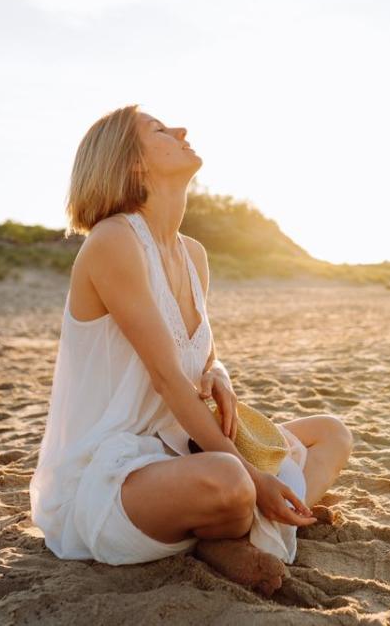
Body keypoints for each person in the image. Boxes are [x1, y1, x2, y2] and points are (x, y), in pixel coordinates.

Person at [29, 104, 354, 596]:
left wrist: (219, 373)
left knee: (332, 433)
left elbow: (201, 356)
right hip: (116, 472)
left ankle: (228, 524)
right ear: (132, 163)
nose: (180, 130)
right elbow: (166, 378)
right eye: (159, 130)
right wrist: (251, 475)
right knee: (230, 479)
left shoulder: (193, 254)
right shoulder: (114, 241)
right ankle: (228, 530)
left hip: (184, 445)